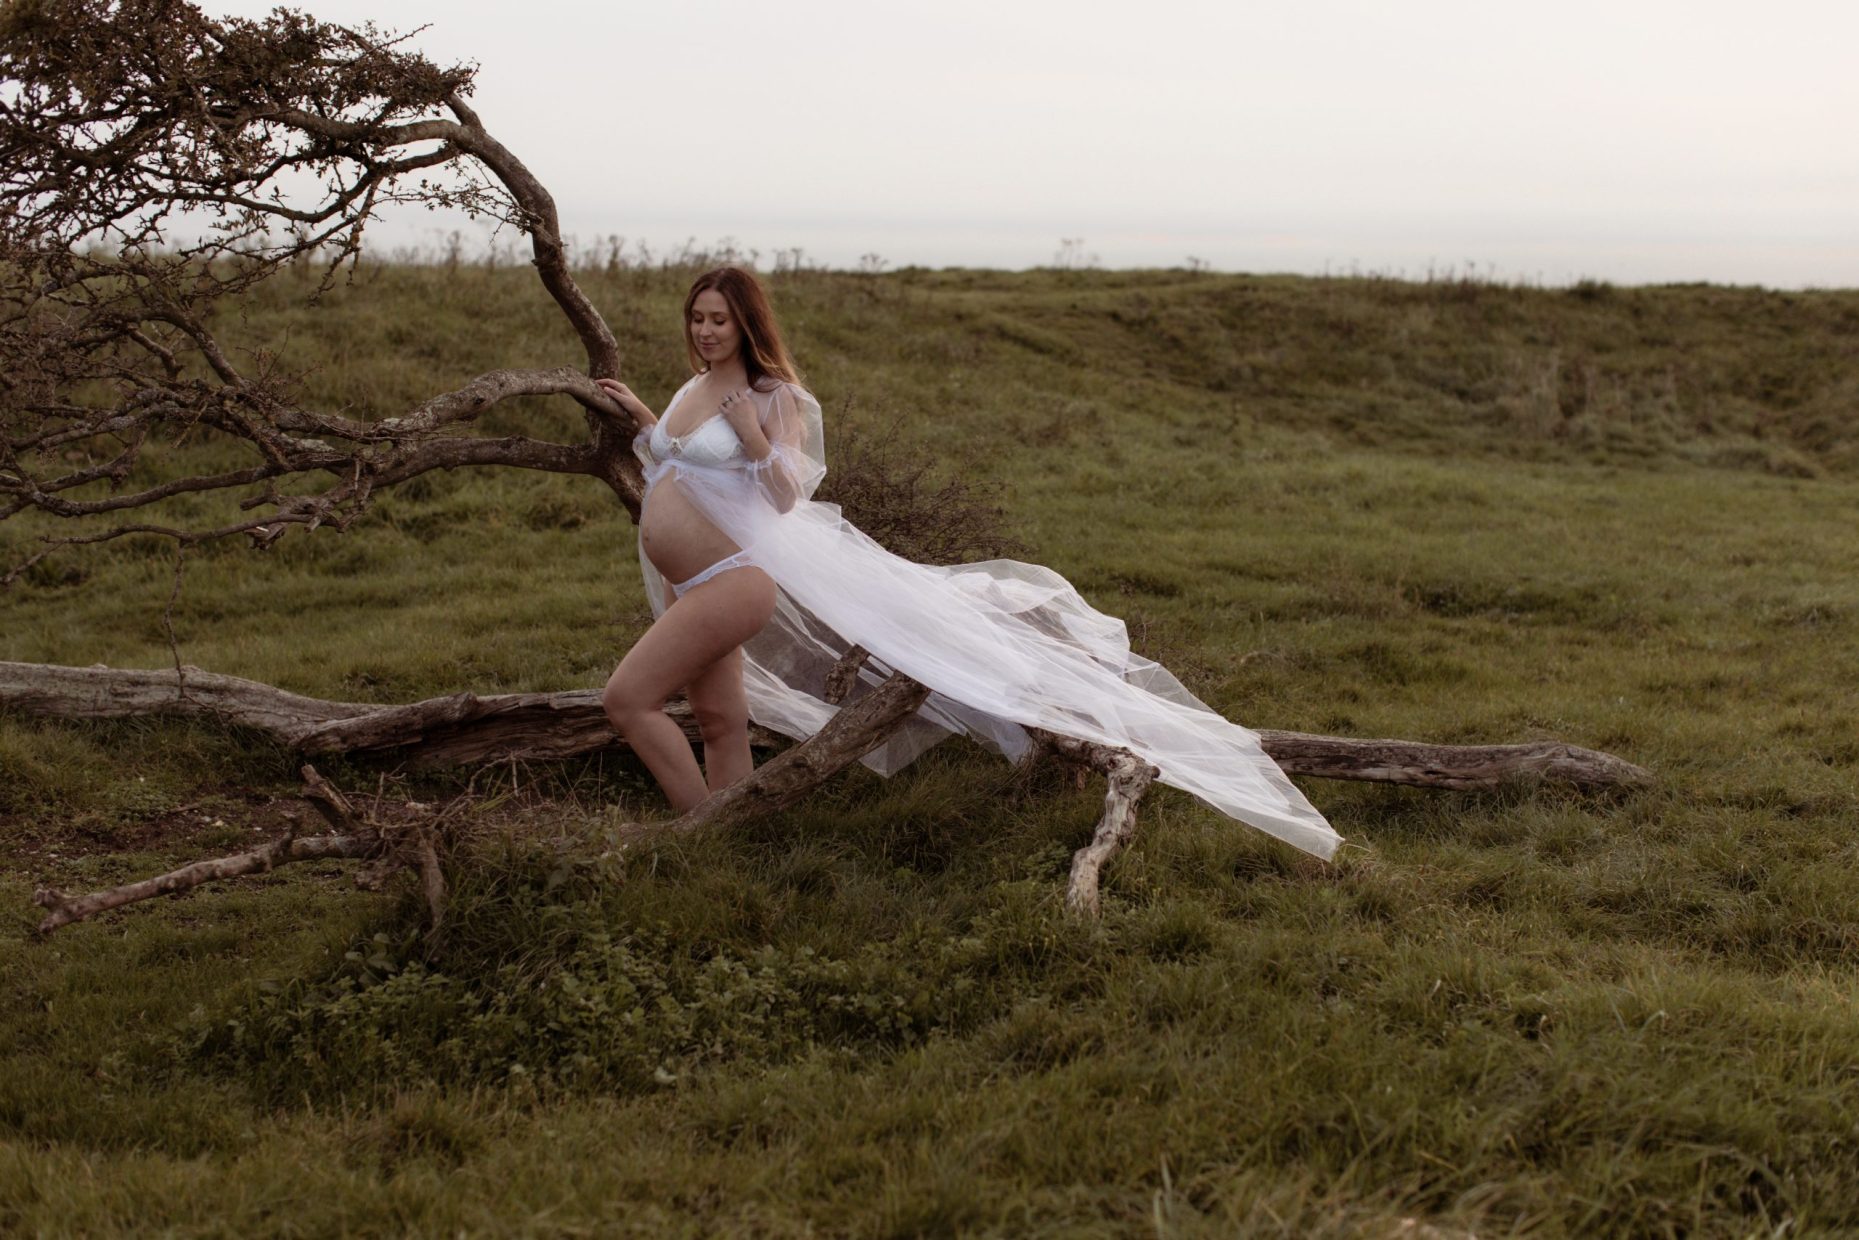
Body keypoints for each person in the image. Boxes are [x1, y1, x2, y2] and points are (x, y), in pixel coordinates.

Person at [596, 266, 1340, 859]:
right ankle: (734, 841)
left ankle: (694, 836)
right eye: (697, 319)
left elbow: (789, 492)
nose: (705, 331)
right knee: (723, 721)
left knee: (625, 700)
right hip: (689, 575)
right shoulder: (693, 387)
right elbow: (679, 458)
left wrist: (754, 440)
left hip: (733, 581)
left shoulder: (770, 395)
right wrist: (641, 415)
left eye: (719, 319)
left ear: (746, 323)